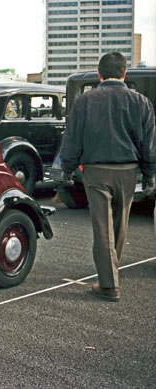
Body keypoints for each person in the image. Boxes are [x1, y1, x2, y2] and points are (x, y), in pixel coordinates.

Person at [60, 52, 156, 302]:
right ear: (124, 73)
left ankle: (109, 285)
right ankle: (110, 275)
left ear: (99, 74)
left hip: (96, 171)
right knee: (119, 225)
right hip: (128, 170)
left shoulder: (84, 101)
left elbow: (72, 139)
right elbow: (149, 144)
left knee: (102, 228)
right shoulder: (141, 102)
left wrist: (67, 169)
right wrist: (149, 175)